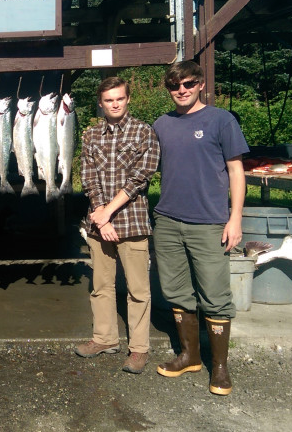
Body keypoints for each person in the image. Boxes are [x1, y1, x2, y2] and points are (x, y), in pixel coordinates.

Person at [152, 60, 248, 396]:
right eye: (175, 85)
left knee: (215, 296)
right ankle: (189, 355)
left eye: (188, 84)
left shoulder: (222, 120)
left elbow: (236, 171)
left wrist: (234, 218)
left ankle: (219, 367)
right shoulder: (161, 124)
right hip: (167, 220)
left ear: (201, 84)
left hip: (209, 222)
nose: (182, 90)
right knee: (177, 291)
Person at [75, 77, 161, 374]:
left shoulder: (144, 132)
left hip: (132, 220)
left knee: (138, 289)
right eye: (109, 100)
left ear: (128, 100)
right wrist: (99, 212)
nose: (114, 104)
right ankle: (104, 338)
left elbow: (140, 178)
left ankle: (138, 349)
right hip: (100, 222)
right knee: (101, 284)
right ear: (100, 103)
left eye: (119, 98)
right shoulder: (91, 135)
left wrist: (108, 213)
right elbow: (88, 176)